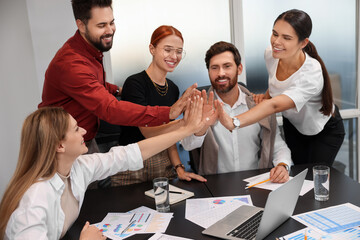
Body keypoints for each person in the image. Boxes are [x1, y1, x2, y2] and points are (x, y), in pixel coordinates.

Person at [0, 97, 205, 239]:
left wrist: (186, 128)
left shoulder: (78, 167)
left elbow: (131, 154)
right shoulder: (34, 200)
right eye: (76, 129)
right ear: (59, 145)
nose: (84, 131)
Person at [38, 0, 196, 153]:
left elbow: (94, 84)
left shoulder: (91, 51)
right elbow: (110, 110)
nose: (110, 30)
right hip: (60, 145)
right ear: (81, 25)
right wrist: (169, 113)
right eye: (101, 25)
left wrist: (118, 90)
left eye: (111, 23)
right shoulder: (72, 63)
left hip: (83, 138)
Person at [217, 9, 345, 166]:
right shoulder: (271, 55)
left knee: (315, 179)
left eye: (286, 38)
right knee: (297, 175)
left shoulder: (311, 72)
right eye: (275, 33)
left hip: (323, 130)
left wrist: (234, 122)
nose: (276, 42)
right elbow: (277, 85)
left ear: (303, 43)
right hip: (294, 126)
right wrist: (265, 96)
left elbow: (276, 105)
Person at [182, 41, 292, 183]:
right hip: (215, 186)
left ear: (239, 69)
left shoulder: (258, 106)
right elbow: (188, 145)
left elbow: (278, 145)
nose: (221, 73)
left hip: (255, 184)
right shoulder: (199, 106)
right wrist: (201, 124)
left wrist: (283, 166)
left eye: (227, 66)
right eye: (214, 68)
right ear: (208, 71)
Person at [112, 25, 206, 186]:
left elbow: (168, 135)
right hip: (133, 162)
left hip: (162, 162)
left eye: (178, 51)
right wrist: (185, 123)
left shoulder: (173, 88)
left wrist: (179, 167)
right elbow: (148, 132)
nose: (174, 56)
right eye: (168, 50)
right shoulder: (135, 83)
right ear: (152, 49)